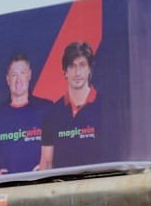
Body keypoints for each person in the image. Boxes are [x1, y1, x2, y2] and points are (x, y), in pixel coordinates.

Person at [38, 41, 113, 170]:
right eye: (72, 66)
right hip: (63, 182)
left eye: (82, 65)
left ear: (89, 69)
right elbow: (47, 161)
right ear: (65, 72)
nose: (77, 73)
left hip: (98, 180)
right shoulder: (52, 113)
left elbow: (114, 155)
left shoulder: (106, 108)